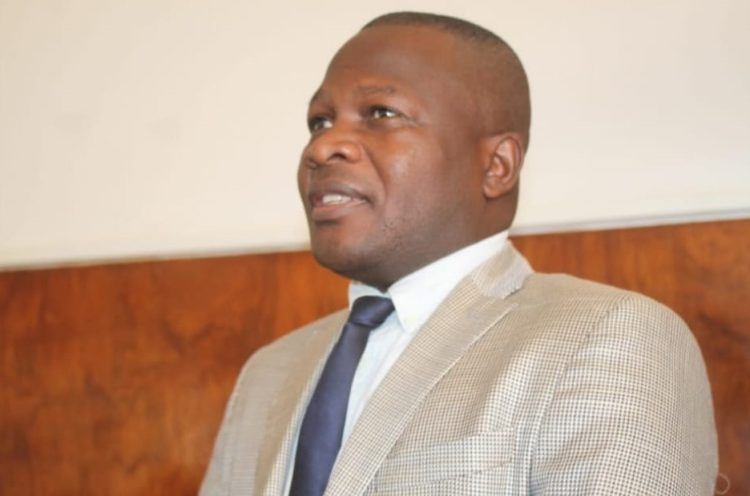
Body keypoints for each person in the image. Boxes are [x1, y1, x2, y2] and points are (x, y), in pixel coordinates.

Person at [200, 12, 718, 495]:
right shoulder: (268, 373)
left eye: (381, 113)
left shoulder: (607, 336)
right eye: (319, 121)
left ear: (496, 166)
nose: (322, 146)